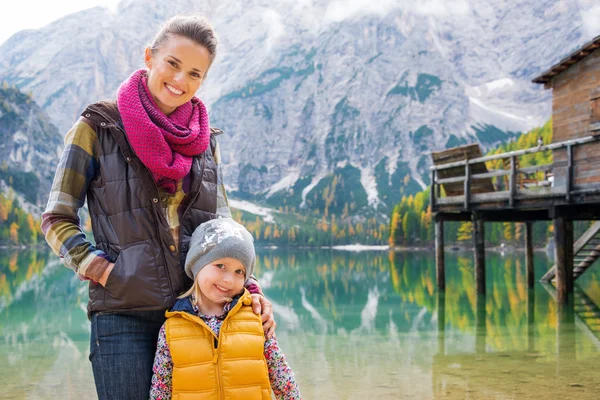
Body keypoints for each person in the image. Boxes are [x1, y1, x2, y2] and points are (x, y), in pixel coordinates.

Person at [41, 15, 275, 400]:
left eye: (195, 74)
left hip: (196, 314)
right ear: (150, 56)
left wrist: (248, 288)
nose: (181, 80)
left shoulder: (206, 142)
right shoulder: (98, 126)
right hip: (123, 316)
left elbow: (223, 230)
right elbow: (57, 218)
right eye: (173, 64)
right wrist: (104, 271)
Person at [149, 218, 301, 399]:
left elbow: (284, 381)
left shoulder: (256, 318)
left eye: (239, 272)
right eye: (220, 266)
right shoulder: (171, 329)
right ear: (197, 265)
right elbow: (161, 389)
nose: (229, 279)